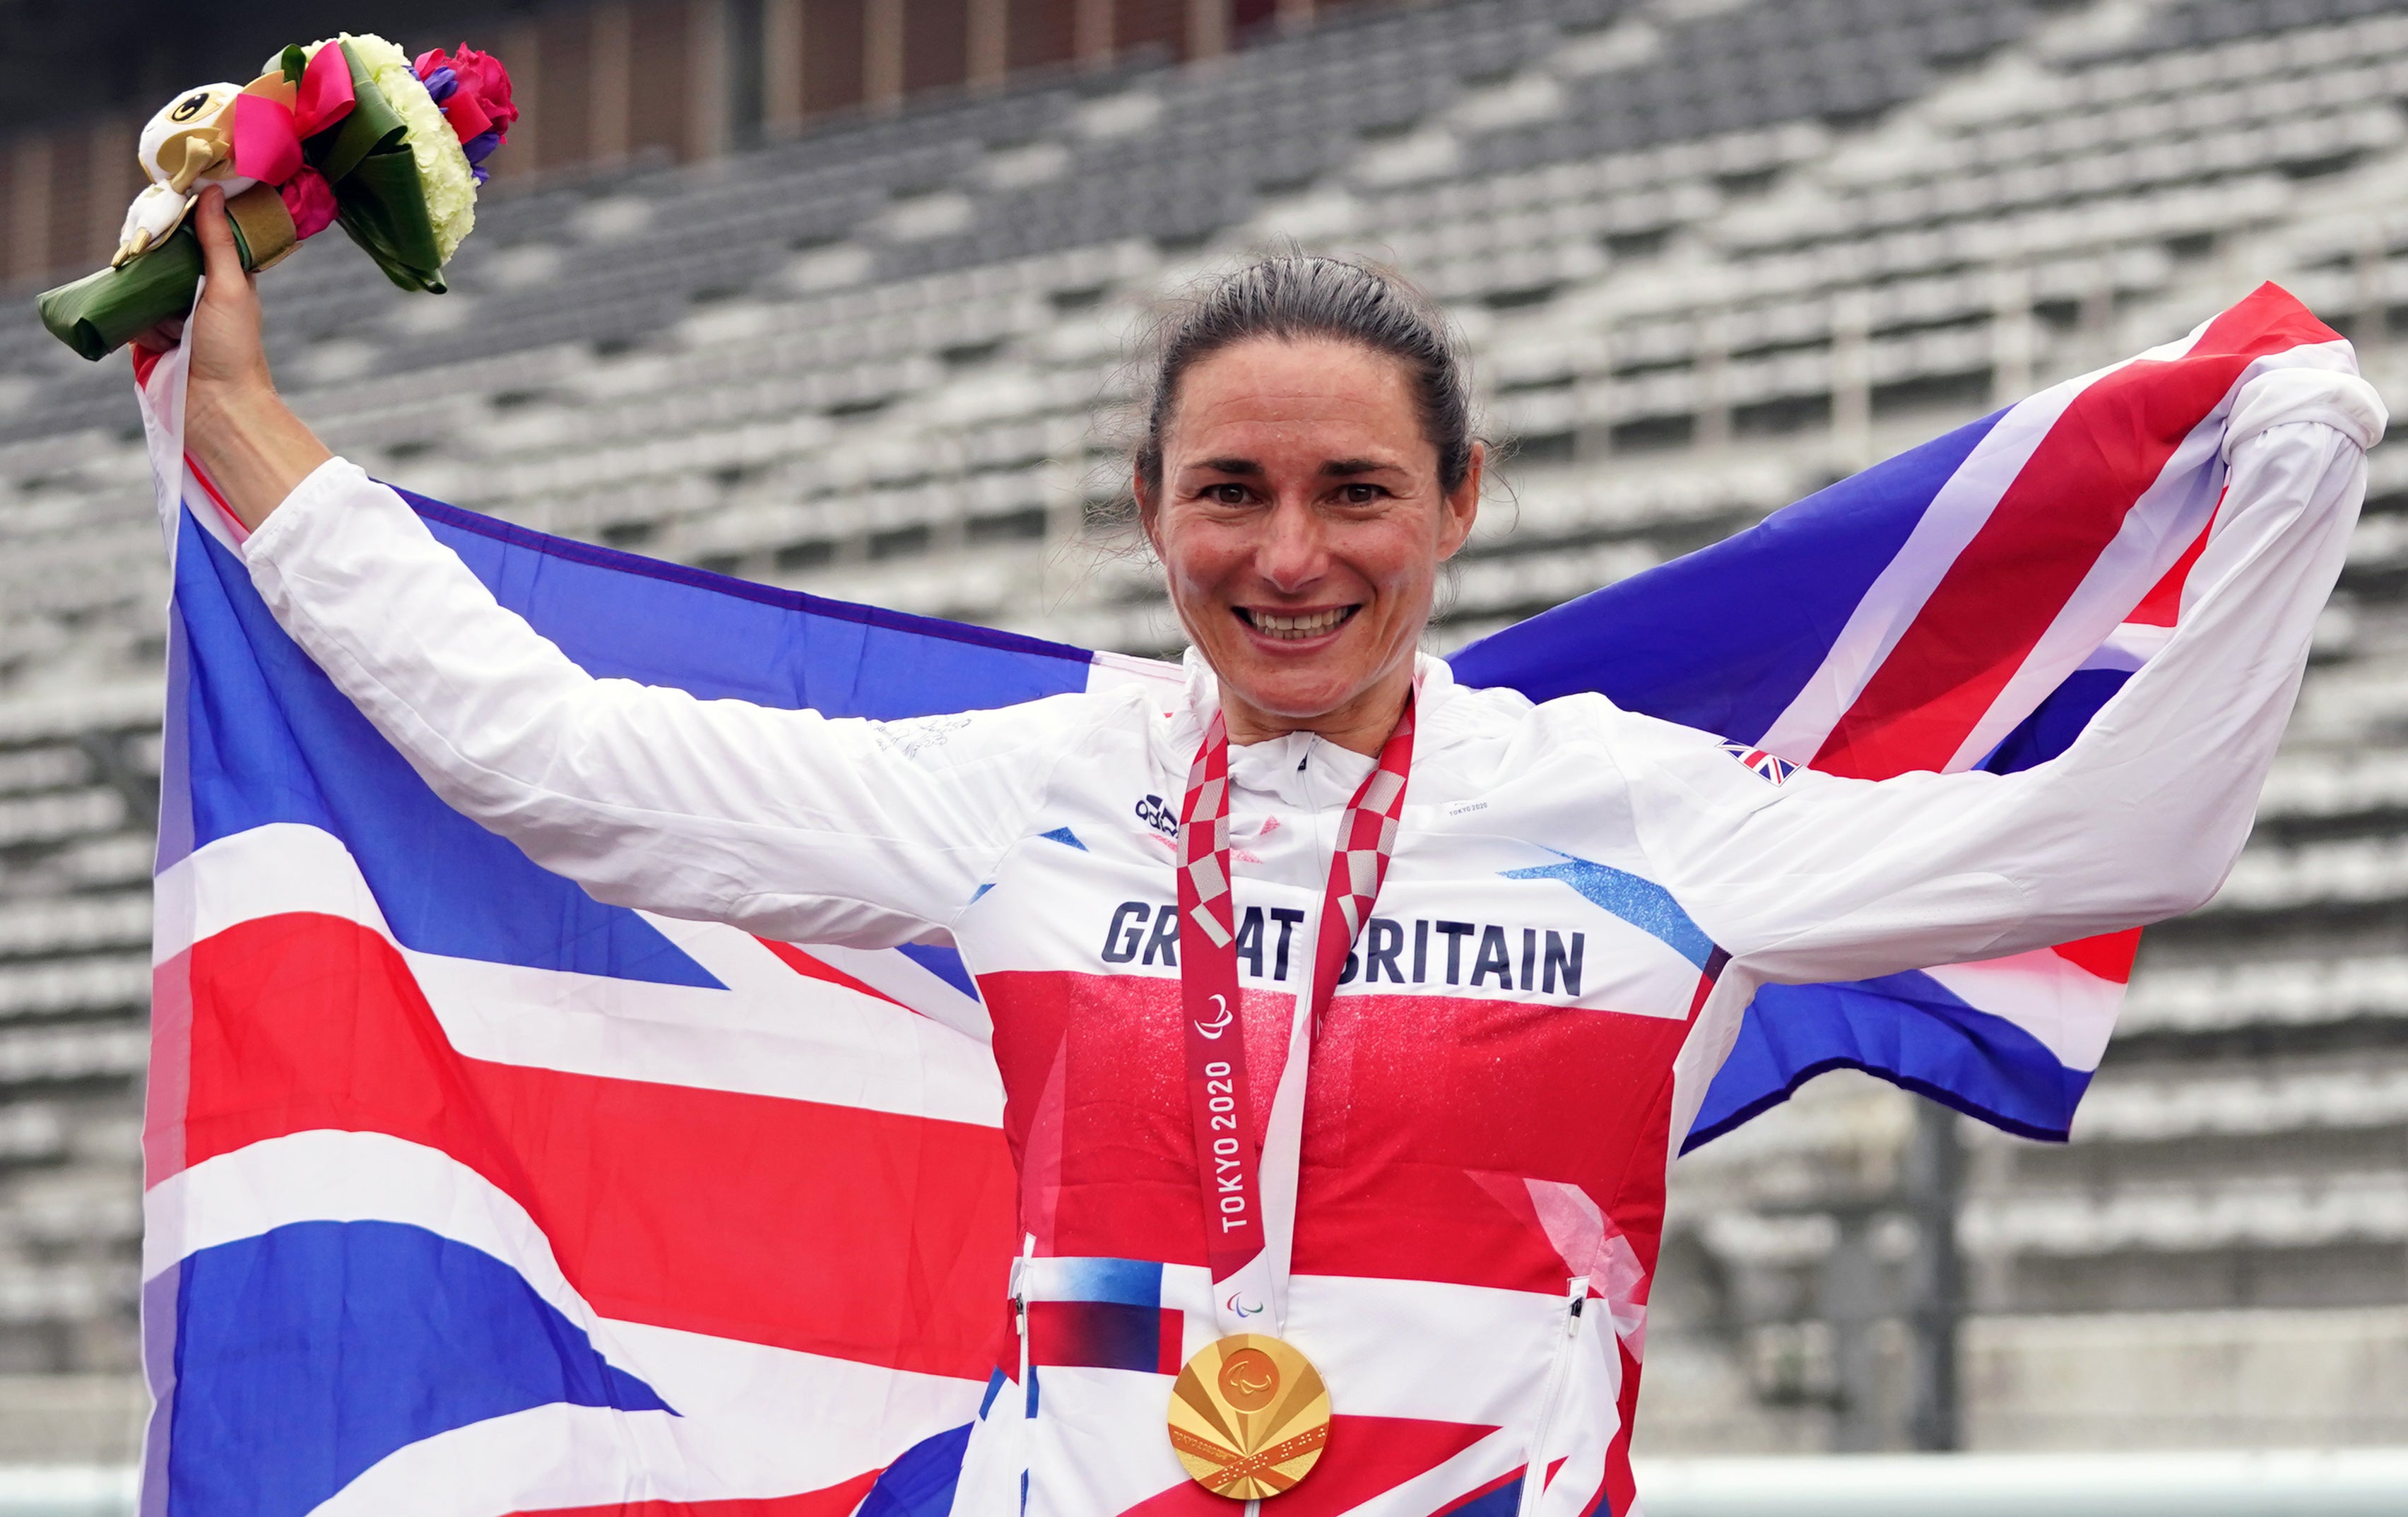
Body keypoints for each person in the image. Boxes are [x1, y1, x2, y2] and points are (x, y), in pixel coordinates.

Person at [159, 182, 2380, 1515]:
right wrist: (234, 422)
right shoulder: (1024, 783)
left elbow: (2136, 830)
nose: (1291, 553)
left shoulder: (1629, 806)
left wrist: (2292, 479)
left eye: (1355, 493)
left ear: (1461, 506)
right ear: (1152, 515)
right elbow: (547, 752)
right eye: (1230, 491)